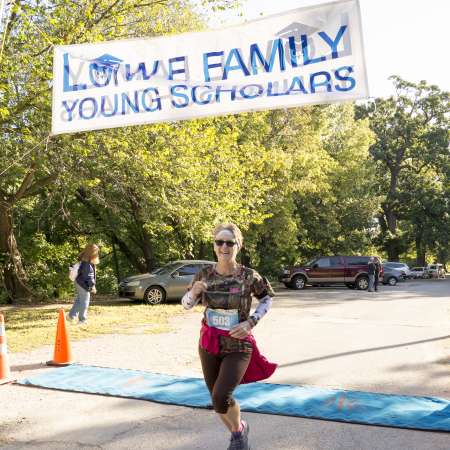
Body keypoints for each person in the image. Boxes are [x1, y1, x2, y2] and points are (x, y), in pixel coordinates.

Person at [182, 223, 277, 450]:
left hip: (238, 344)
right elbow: (186, 304)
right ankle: (238, 431)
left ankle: (238, 433)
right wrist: (193, 292)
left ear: (238, 245)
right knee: (216, 400)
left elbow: (268, 298)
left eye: (230, 242)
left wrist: (251, 322)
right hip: (209, 342)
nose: (224, 246)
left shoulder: (249, 276)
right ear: (214, 246)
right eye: (219, 242)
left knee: (222, 396)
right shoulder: (203, 274)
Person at [67, 244, 99, 324]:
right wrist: (92, 287)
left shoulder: (85, 260)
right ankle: (82, 320)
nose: (97, 254)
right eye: (96, 252)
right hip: (82, 284)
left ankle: (71, 316)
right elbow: (89, 277)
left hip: (79, 282)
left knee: (79, 300)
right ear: (93, 252)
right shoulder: (87, 263)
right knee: (85, 301)